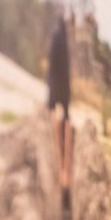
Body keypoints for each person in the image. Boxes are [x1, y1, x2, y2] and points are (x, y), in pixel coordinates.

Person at [47, 14, 73, 210]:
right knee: (63, 127)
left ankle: (63, 182)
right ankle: (64, 182)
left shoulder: (58, 37)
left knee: (59, 129)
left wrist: (51, 98)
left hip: (57, 94)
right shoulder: (62, 39)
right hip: (62, 96)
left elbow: (53, 68)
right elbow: (62, 72)